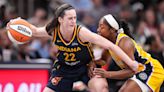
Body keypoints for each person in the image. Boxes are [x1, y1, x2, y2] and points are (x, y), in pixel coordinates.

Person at [7, 4, 139, 92]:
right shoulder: (53, 30)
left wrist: (130, 62)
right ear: (60, 20)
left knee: (101, 88)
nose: (73, 21)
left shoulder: (82, 32)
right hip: (63, 70)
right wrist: (14, 23)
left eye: (75, 18)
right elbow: (33, 31)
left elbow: (109, 45)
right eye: (70, 18)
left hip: (86, 68)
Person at [89, 14, 164, 92]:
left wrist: (107, 74)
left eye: (102, 27)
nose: (98, 30)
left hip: (151, 70)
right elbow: (103, 60)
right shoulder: (109, 43)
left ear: (112, 30)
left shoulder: (124, 42)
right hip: (139, 71)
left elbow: (131, 71)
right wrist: (92, 62)